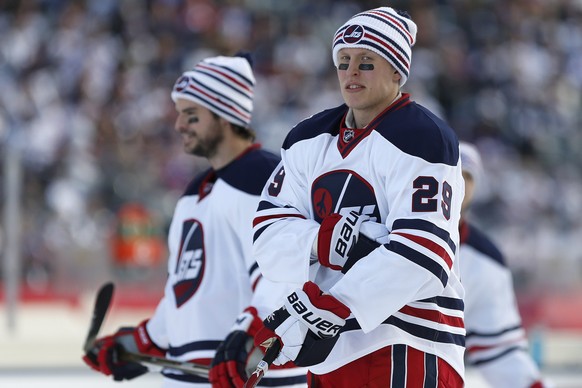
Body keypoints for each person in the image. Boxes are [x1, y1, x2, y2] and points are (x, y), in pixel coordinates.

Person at [251, 7, 465, 388]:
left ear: (397, 70)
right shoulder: (306, 139)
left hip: (407, 343)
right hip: (329, 352)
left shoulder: (423, 136)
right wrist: (322, 242)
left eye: (367, 62)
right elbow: (267, 233)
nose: (351, 72)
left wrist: (339, 303)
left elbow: (426, 251)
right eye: (344, 61)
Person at [82, 54, 307, 387]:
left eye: (191, 115)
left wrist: (247, 338)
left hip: (249, 376)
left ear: (226, 115)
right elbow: (184, 293)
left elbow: (282, 276)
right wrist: (137, 342)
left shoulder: (263, 178)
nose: (179, 126)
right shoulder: (194, 194)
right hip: (191, 375)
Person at [458, 142, 546, 388]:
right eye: (452, 172)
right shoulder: (382, 225)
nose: (458, 184)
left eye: (467, 176)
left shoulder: (487, 262)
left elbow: (501, 351)